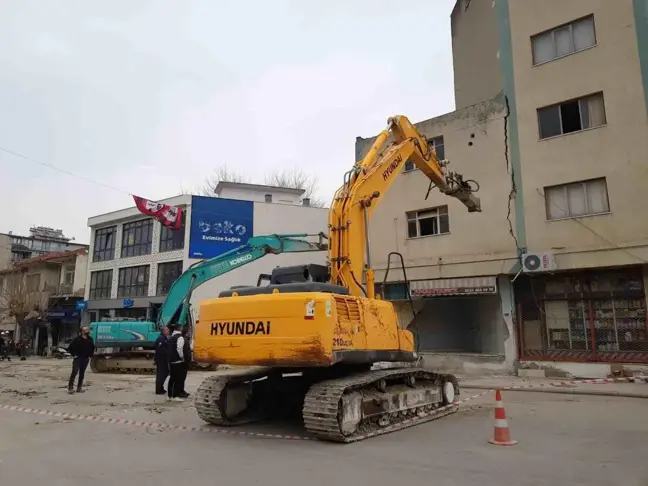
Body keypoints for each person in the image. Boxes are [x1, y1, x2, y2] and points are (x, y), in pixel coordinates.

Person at [67, 326, 95, 394]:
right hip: (78, 359)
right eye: (86, 330)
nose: (88, 330)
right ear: (82, 332)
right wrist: (74, 355)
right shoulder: (77, 339)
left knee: (82, 374)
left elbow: (92, 348)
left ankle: (79, 388)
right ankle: (70, 388)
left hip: (85, 359)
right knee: (74, 373)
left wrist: (90, 355)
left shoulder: (90, 339)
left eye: (88, 329)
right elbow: (70, 348)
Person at [167, 325, 186, 401]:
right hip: (178, 361)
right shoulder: (180, 337)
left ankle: (169, 396)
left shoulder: (171, 337)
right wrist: (182, 357)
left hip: (171, 360)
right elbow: (179, 348)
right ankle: (175, 396)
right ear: (180, 329)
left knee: (172, 378)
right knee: (178, 379)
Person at [154, 327, 170, 395]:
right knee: (161, 375)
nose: (168, 331)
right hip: (161, 359)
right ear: (163, 331)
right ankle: (158, 389)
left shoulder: (164, 337)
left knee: (165, 373)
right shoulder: (161, 338)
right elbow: (159, 349)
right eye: (167, 330)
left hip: (164, 359)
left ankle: (161, 387)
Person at [179, 326, 192, 398]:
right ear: (186, 333)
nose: (190, 333)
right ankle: (180, 391)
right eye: (189, 332)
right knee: (181, 377)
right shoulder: (184, 340)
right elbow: (183, 351)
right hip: (184, 362)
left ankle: (182, 390)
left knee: (183, 377)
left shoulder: (185, 339)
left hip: (185, 362)